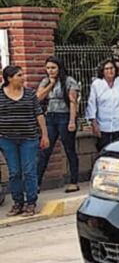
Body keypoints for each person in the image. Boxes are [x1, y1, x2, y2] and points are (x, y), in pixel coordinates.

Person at [0, 65, 50, 216]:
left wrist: (44, 135)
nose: (23, 78)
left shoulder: (29, 94)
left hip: (28, 138)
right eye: (19, 75)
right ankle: (18, 202)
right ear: (9, 78)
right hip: (7, 139)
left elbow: (39, 114)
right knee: (14, 172)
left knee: (29, 171)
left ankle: (31, 202)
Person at [36, 56, 80, 193]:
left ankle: (74, 181)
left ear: (59, 68)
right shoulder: (45, 81)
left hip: (65, 116)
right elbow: (38, 97)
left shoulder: (68, 81)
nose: (50, 71)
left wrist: (72, 120)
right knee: (45, 150)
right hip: (50, 116)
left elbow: (73, 101)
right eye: (48, 68)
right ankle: (36, 183)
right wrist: (50, 84)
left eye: (53, 68)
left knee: (69, 149)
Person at [86, 59, 119, 150]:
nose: (110, 71)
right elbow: (92, 104)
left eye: (112, 68)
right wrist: (94, 124)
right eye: (107, 69)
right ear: (102, 71)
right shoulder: (97, 84)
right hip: (103, 126)